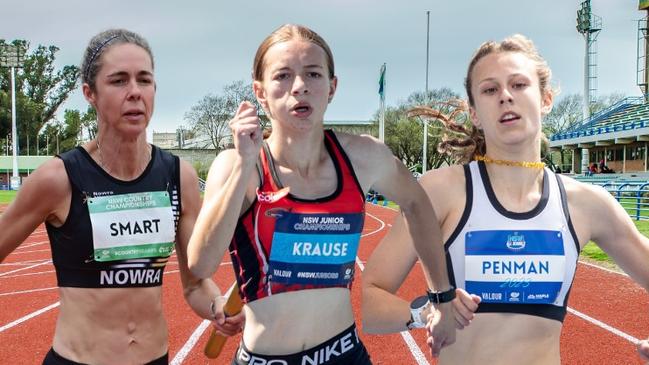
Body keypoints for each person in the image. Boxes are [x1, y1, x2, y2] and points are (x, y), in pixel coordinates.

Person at [361, 34, 649, 364]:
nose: (506, 97)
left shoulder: (587, 203)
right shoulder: (440, 191)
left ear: (546, 99)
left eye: (519, 84)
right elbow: (371, 302)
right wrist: (428, 311)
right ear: (475, 113)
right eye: (489, 89)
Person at [187, 24, 455, 364]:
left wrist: (441, 297)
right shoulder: (238, 165)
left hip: (343, 354)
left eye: (313, 74)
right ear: (260, 92)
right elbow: (201, 264)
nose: (299, 87)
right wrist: (244, 165)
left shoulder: (363, 157)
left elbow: (417, 203)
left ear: (332, 87)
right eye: (282, 76)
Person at [0, 29, 242, 364]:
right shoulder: (59, 178)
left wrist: (217, 306)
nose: (134, 92)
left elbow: (195, 285)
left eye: (144, 80)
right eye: (118, 81)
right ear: (90, 93)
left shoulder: (178, 176)